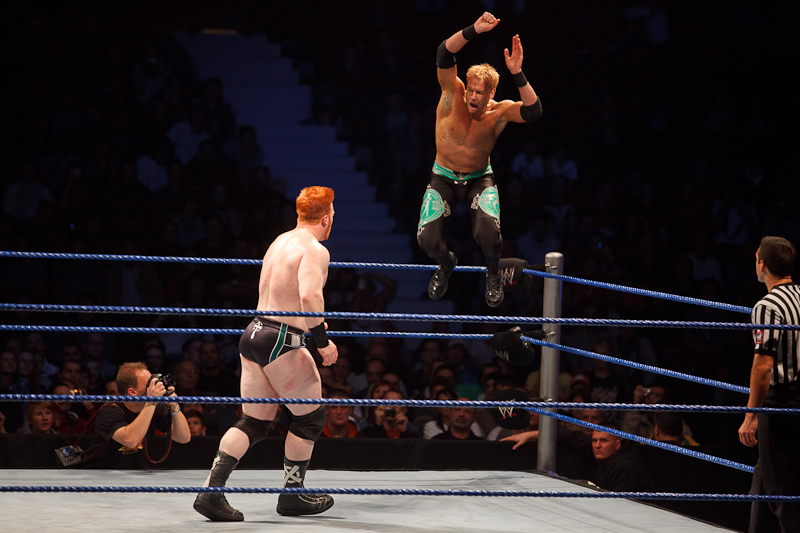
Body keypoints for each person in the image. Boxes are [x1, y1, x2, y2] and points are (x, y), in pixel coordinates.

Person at [194, 186, 338, 521]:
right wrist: (322, 341)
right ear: (325, 219)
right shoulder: (315, 249)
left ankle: (210, 491)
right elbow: (309, 296)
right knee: (310, 418)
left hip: (255, 332)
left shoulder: (279, 241)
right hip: (282, 338)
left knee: (254, 422)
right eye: (334, 215)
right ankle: (292, 495)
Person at [418, 11, 542, 308]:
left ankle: (493, 272)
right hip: (443, 175)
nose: (473, 97)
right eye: (471, 90)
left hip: (478, 178)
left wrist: (517, 73)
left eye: (479, 93)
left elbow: (533, 111)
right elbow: (444, 52)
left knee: (488, 235)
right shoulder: (453, 92)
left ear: (491, 93)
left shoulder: (499, 112)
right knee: (427, 241)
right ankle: (446, 262)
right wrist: (474, 29)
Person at [738, 236, 800, 533]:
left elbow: (763, 366)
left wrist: (751, 415)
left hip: (781, 403)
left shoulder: (767, 305)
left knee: (783, 490)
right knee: (766, 476)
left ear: (762, 265)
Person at [94, 362, 190, 465]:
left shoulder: (155, 407)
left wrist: (174, 406)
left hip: (136, 470)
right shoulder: (108, 412)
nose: (154, 386)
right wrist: (151, 402)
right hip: (103, 469)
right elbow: (131, 440)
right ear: (132, 392)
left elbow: (183, 438)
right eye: (149, 383)